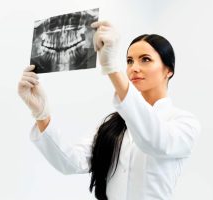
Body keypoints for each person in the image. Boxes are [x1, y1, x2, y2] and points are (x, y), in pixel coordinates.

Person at [18, 21, 201, 200]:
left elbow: (153, 140)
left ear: (168, 70)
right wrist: (41, 115)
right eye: (129, 61)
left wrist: (111, 67)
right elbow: (71, 162)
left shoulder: (184, 123)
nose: (134, 68)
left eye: (145, 59)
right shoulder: (111, 126)